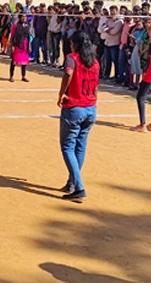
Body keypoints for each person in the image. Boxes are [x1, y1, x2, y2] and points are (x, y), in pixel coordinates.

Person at [57, 30, 100, 202]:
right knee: (80, 146)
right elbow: (96, 86)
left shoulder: (72, 58)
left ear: (74, 43)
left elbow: (68, 72)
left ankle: (79, 186)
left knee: (68, 147)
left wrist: (61, 93)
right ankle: (72, 182)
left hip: (75, 106)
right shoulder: (94, 62)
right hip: (90, 106)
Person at [9, 13, 31, 82]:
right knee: (14, 62)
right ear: (19, 17)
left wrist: (29, 45)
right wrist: (12, 45)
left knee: (24, 63)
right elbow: (12, 36)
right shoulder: (15, 26)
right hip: (17, 45)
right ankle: (11, 76)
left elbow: (28, 36)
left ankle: (23, 76)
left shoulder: (27, 26)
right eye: (22, 16)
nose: (24, 18)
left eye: (25, 16)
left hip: (25, 45)